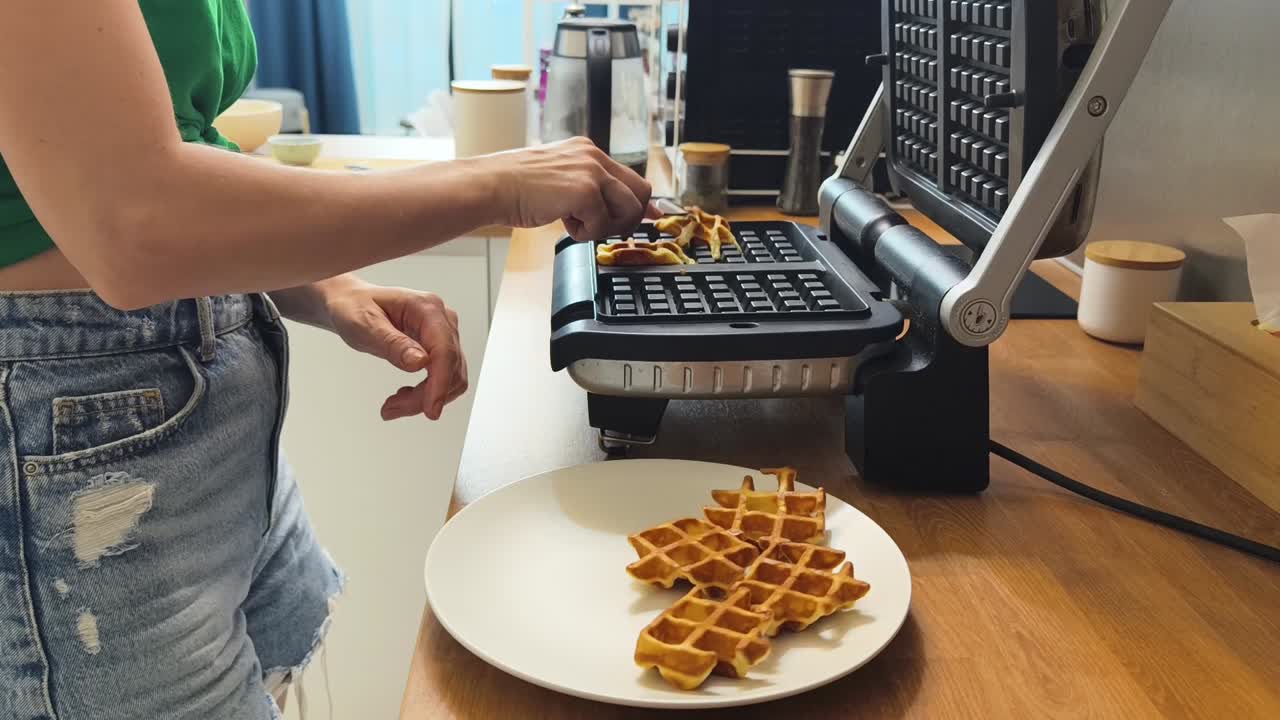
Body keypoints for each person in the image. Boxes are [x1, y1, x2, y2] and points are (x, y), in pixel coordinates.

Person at [0, 2, 655, 718]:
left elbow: (174, 146)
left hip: (207, 428)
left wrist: (327, 287)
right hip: (76, 458)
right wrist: (498, 182)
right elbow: (131, 222)